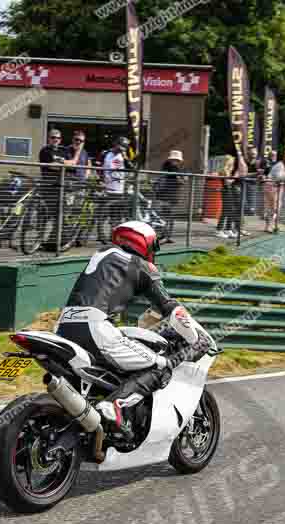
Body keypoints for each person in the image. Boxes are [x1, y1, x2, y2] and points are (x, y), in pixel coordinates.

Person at [54, 221, 214, 439]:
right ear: (143, 243)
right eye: (152, 247)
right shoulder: (139, 265)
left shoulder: (101, 254)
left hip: (63, 327)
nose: (152, 253)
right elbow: (170, 308)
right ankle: (115, 405)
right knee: (161, 366)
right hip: (96, 329)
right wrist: (195, 337)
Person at [96, 137, 130, 244]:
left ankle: (114, 236)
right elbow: (97, 166)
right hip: (107, 189)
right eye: (120, 146)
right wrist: (100, 179)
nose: (121, 149)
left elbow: (131, 168)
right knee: (102, 214)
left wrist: (126, 158)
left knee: (116, 216)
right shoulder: (106, 154)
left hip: (119, 190)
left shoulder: (124, 156)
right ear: (115, 144)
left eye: (124, 147)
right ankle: (101, 235)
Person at [153, 150, 188, 244]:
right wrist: (183, 179)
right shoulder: (173, 168)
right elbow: (181, 181)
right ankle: (165, 236)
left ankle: (164, 235)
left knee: (163, 217)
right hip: (169, 195)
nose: (178, 162)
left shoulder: (165, 167)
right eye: (177, 160)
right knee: (168, 217)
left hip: (163, 195)